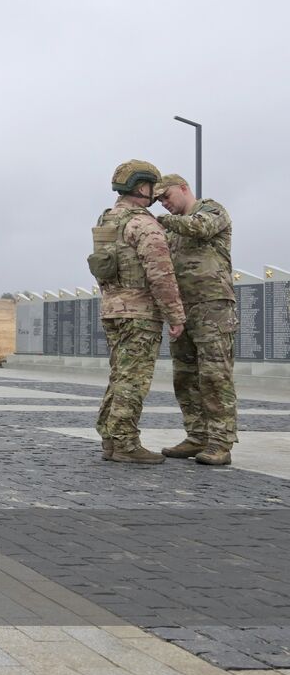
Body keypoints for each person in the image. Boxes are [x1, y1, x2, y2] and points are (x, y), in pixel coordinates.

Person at [90, 160, 186, 465]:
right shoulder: (144, 224)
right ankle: (125, 443)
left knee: (120, 375)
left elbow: (102, 266)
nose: (155, 195)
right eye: (151, 189)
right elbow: (161, 274)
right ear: (141, 187)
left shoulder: (107, 219)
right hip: (140, 314)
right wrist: (176, 315)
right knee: (134, 379)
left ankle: (109, 438)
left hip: (112, 309)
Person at [155, 174, 238, 466]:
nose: (164, 204)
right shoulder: (172, 230)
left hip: (212, 306)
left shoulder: (211, 210)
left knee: (215, 375)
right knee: (185, 376)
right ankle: (196, 435)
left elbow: (200, 228)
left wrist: (159, 222)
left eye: (166, 197)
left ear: (183, 188)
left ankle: (220, 442)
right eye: (159, 201)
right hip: (182, 310)